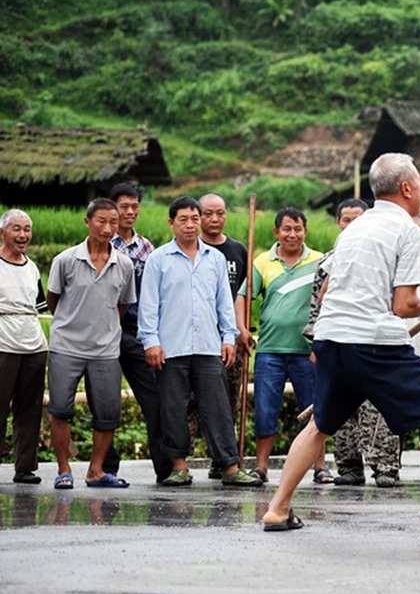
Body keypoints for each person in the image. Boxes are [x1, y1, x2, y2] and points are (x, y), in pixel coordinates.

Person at [262, 153, 420, 540]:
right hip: (375, 339)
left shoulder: (353, 229)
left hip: (331, 336)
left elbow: (329, 288)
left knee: (319, 425)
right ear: (408, 188)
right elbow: (404, 306)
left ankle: (278, 509)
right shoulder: (409, 231)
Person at [137, 197, 262, 488]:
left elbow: (224, 303)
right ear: (171, 223)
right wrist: (151, 342)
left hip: (208, 345)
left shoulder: (215, 259)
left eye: (195, 218)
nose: (191, 224)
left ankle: (230, 467)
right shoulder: (158, 260)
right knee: (174, 408)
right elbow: (148, 305)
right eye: (184, 219)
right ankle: (179, 467)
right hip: (171, 347)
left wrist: (228, 337)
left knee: (217, 407)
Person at [304, 198, 404, 488]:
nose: (352, 224)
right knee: (341, 408)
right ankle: (348, 466)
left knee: (381, 409)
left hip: (376, 343)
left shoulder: (385, 257)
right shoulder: (326, 263)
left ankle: (386, 468)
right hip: (337, 342)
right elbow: (316, 306)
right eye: (346, 219)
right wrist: (316, 343)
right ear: (339, 223)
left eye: (358, 218)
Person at [47, 199, 136, 489]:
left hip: (106, 350)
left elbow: (122, 306)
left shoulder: (124, 264)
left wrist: (102, 326)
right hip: (66, 347)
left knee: (108, 414)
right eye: (102, 221)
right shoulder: (66, 260)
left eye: (114, 222)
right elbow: (53, 302)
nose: (108, 228)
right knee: (60, 409)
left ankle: (96, 471)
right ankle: (64, 470)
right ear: (87, 222)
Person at [236, 208, 323, 484]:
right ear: (276, 232)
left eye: (297, 229)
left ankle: (320, 468)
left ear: (305, 232)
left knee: (315, 410)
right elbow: (242, 297)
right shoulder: (263, 262)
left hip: (307, 352)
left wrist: (322, 343)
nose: (292, 234)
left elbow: (328, 302)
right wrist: (241, 329)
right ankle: (261, 467)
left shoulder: (320, 261)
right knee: (264, 410)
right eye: (286, 229)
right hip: (270, 351)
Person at [109, 182, 173, 484]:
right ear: (112, 208)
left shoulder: (148, 249)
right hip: (104, 332)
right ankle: (106, 468)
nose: (130, 212)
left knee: (154, 399)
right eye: (124, 206)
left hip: (138, 333)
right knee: (105, 400)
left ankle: (165, 467)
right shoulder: (101, 245)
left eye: (135, 206)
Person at [195, 193, 248, 479]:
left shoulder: (238, 250)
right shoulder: (192, 247)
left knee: (227, 401)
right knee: (193, 402)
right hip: (196, 337)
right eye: (208, 214)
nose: (214, 219)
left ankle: (224, 460)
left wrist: (240, 329)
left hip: (228, 338)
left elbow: (242, 293)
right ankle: (181, 462)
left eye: (220, 213)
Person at [0, 210, 48, 485]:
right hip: (3, 345)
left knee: (30, 408)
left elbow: (40, 307)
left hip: (33, 345)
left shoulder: (31, 267)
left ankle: (25, 467)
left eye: (27, 229)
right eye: (16, 229)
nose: (22, 235)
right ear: (2, 233)